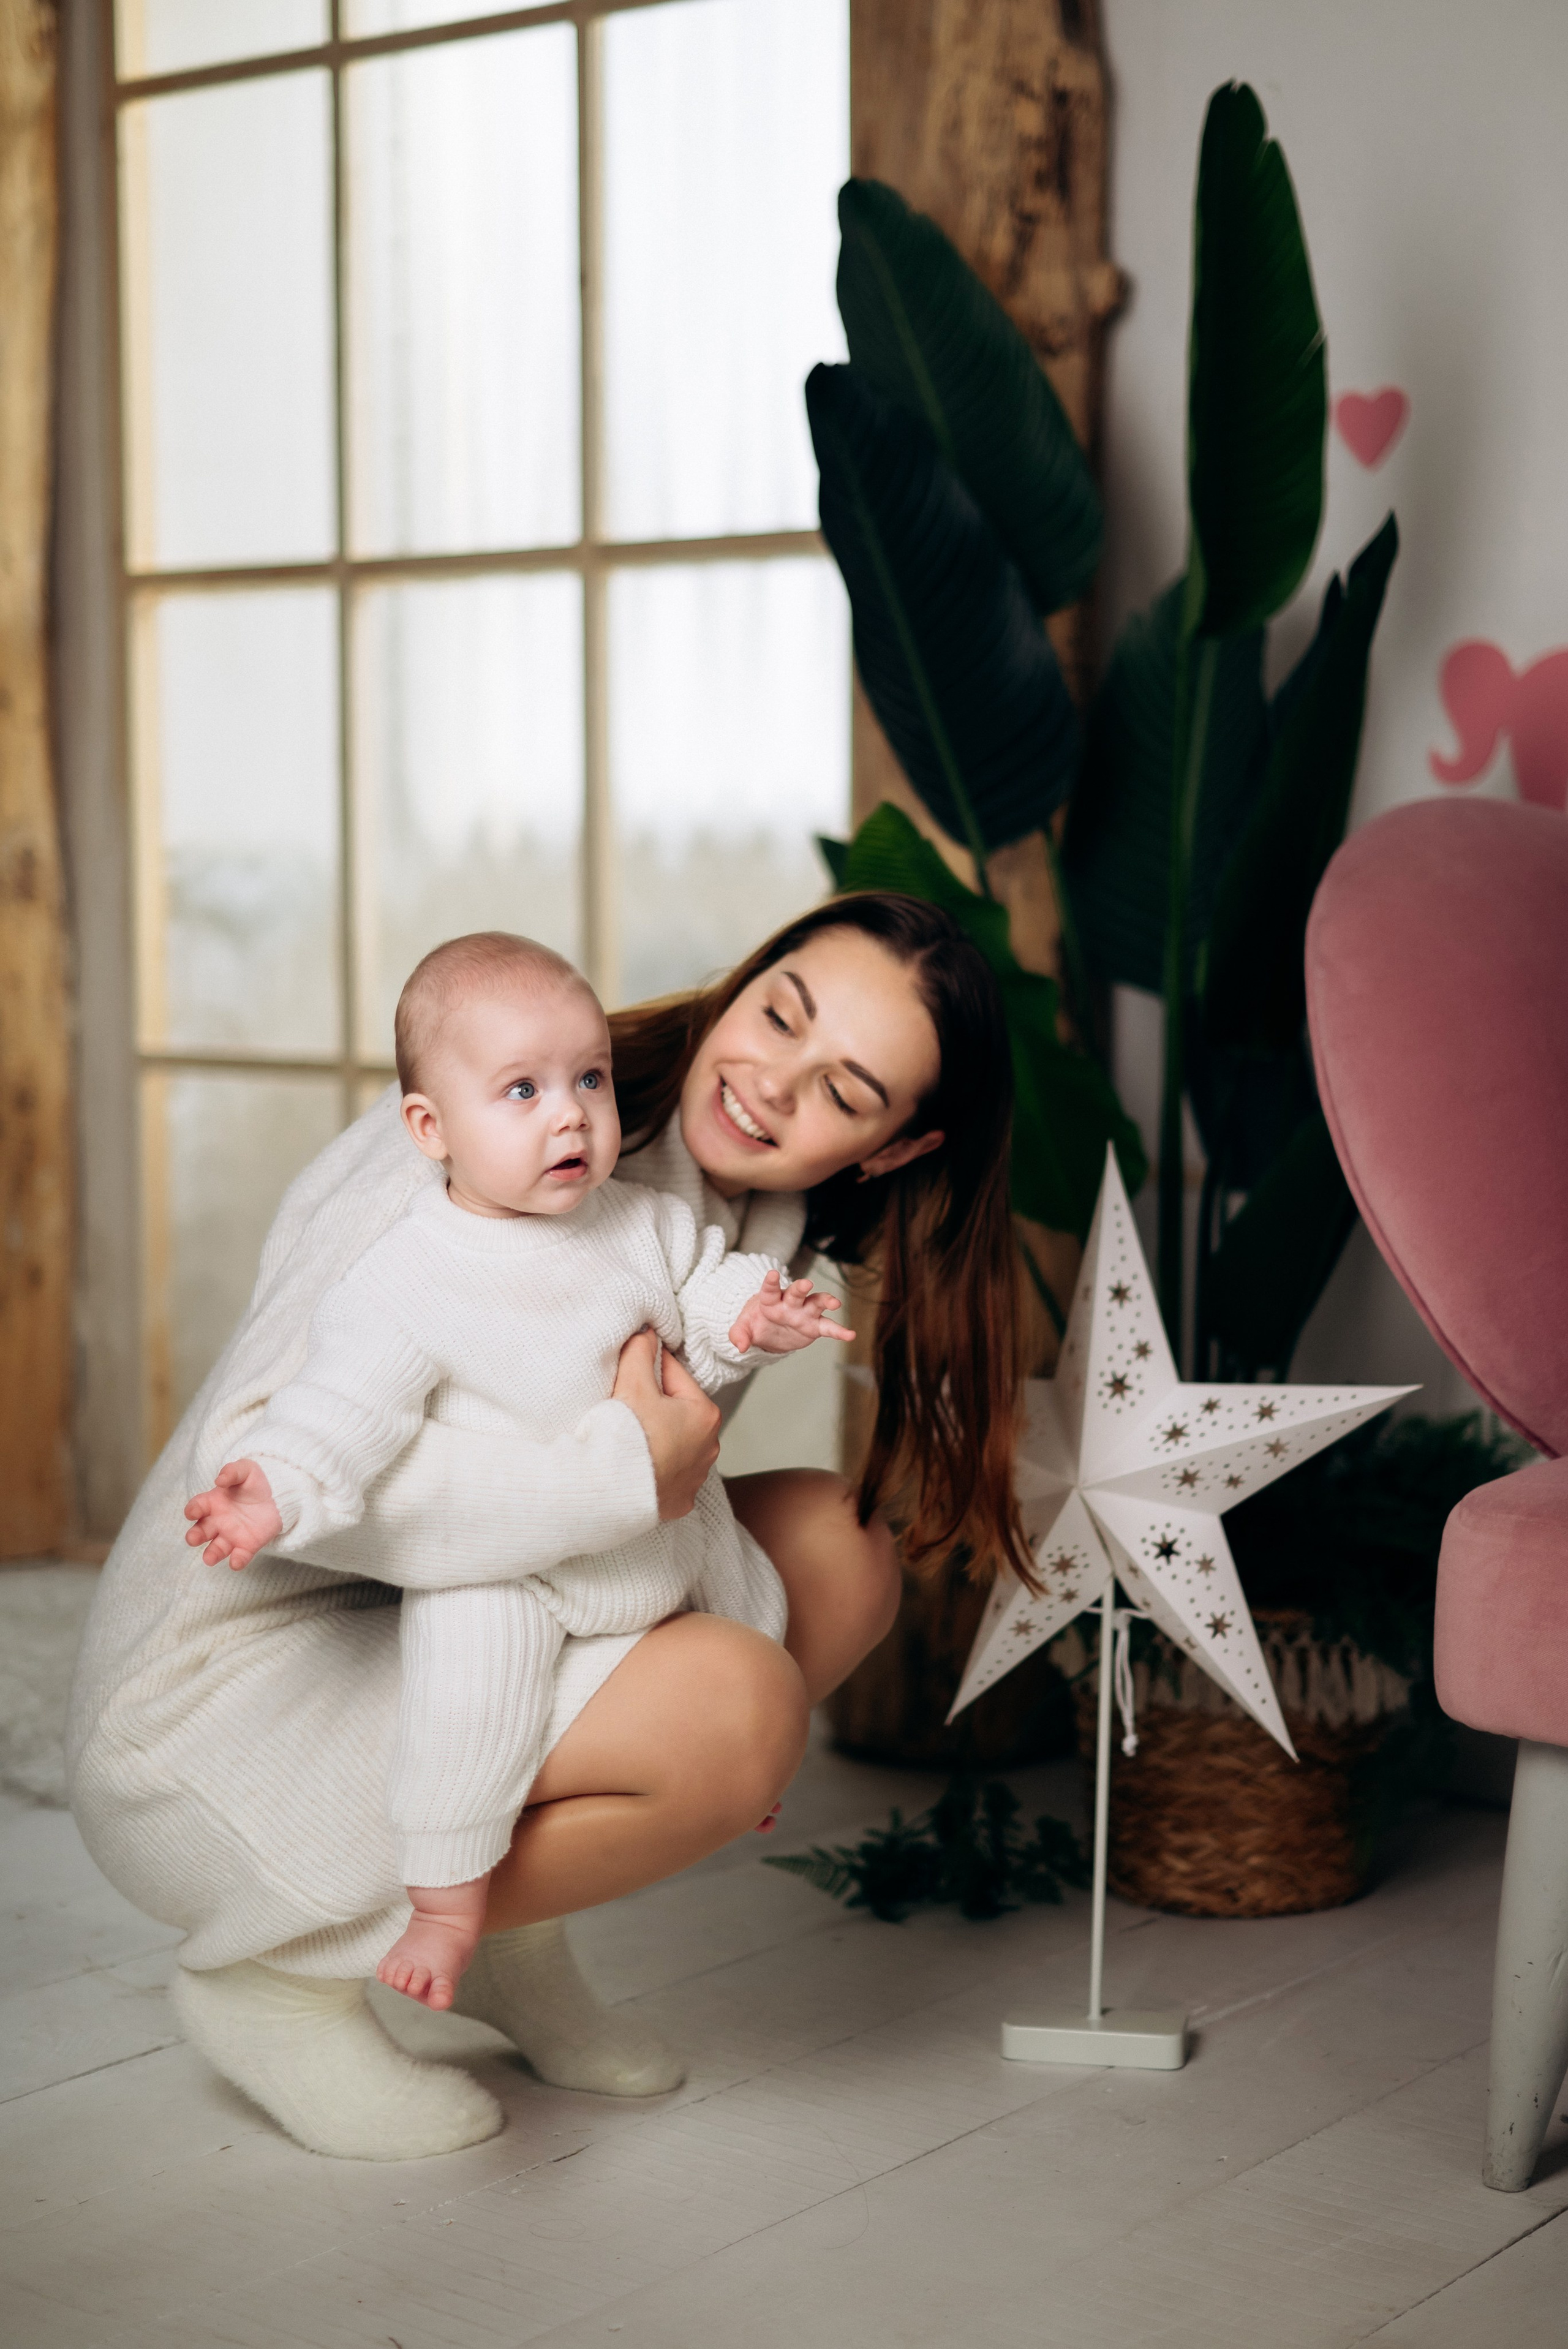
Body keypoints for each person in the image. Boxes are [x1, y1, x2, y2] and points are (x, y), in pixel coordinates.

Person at [67, 892, 1030, 2161]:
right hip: (222, 1697)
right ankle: (272, 1975)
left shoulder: (751, 1222)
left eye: (843, 1092)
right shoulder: (476, 1133)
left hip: (472, 1607)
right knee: (735, 1707)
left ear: (896, 1149)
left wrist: (646, 1490)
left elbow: (622, 1503)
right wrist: (630, 1474)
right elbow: (277, 1486)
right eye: (777, 1014)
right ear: (744, 976)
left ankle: (509, 1941)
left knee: (837, 1564)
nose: (767, 1086)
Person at [184, 931, 851, 2013]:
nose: (570, 1114)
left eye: (588, 1078)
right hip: (514, 1575)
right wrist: (277, 1488)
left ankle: (745, 1775)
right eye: (523, 1090)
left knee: (749, 1594)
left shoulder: (641, 1220)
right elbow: (341, 1412)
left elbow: (706, 1295)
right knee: (466, 1713)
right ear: (429, 1129)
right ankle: (447, 1910)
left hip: (659, 1541)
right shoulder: (406, 1277)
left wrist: (754, 1315)